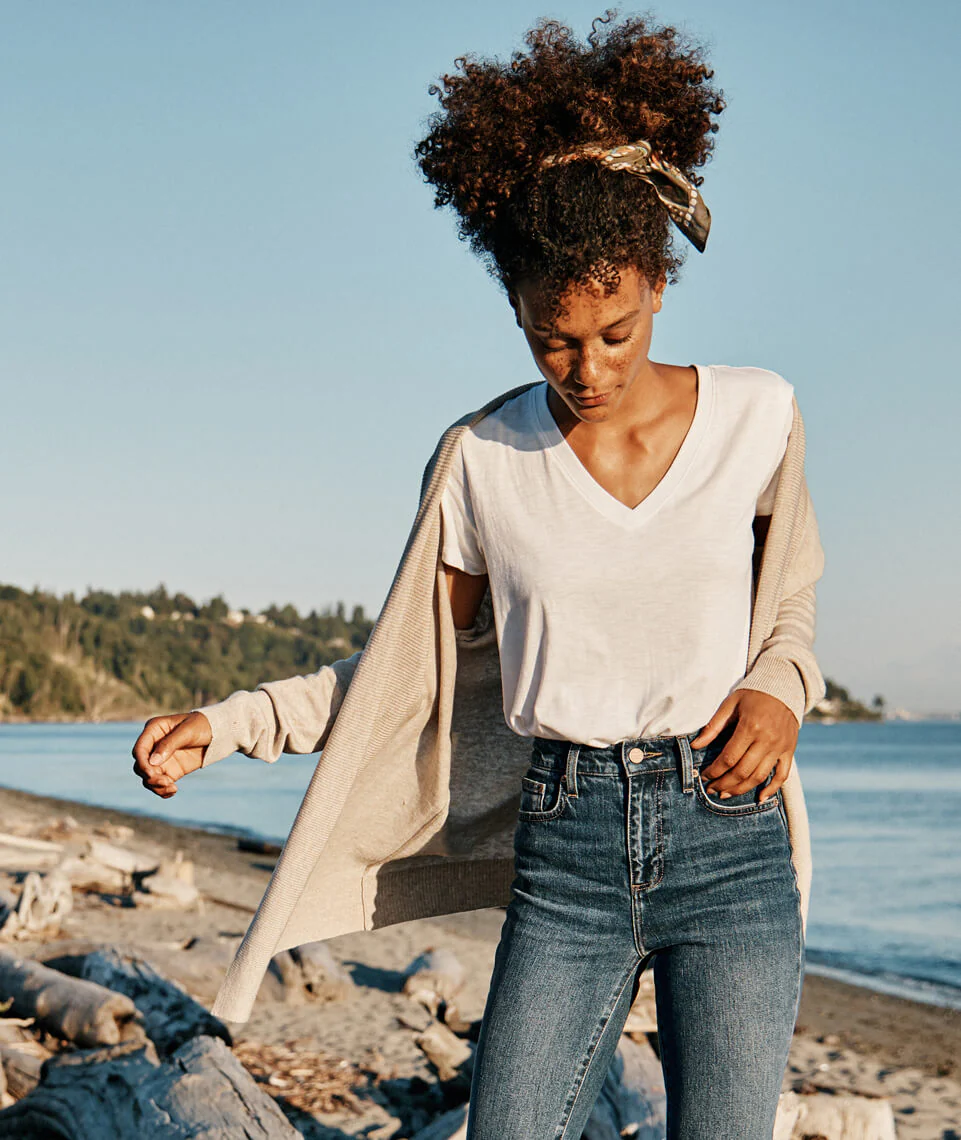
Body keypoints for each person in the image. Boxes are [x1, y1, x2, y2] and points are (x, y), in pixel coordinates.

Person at [132, 13, 825, 1139]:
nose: (586, 368)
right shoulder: (480, 461)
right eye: (552, 337)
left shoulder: (760, 415)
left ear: (659, 280)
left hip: (729, 834)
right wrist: (232, 723)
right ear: (513, 304)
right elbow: (401, 675)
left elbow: (787, 606)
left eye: (614, 331)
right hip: (567, 849)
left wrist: (780, 692)